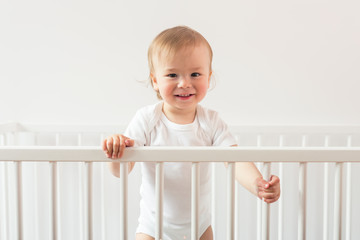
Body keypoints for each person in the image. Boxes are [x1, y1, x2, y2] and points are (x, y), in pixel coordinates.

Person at [102, 26, 280, 240]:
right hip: (152, 227)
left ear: (209, 77)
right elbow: (120, 170)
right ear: (156, 81)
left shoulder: (210, 121)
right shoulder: (147, 119)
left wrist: (257, 184)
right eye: (172, 74)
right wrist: (117, 149)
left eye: (195, 74)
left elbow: (235, 160)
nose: (185, 83)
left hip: (200, 227)